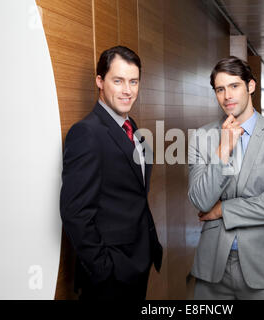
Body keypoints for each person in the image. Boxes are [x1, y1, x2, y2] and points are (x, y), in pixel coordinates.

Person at [187, 56, 264, 300]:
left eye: (234, 86)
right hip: (212, 267)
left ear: (250, 86)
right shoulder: (202, 137)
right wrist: (223, 150)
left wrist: (222, 210)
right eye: (220, 89)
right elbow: (200, 200)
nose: (227, 95)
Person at [60, 46, 162, 300]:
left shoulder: (130, 125)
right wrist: (104, 269)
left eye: (133, 81)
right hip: (111, 276)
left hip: (137, 261)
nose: (127, 90)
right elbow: (75, 212)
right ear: (100, 81)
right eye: (118, 81)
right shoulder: (86, 133)